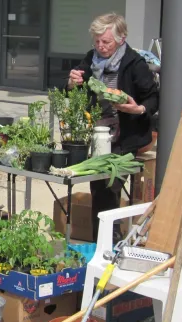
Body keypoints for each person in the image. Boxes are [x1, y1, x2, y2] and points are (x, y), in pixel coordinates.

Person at [67, 13, 158, 242]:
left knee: (109, 186)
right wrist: (71, 82)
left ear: (121, 39)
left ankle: (110, 242)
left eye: (105, 42)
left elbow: (153, 98)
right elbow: (73, 89)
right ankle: (102, 242)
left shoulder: (134, 63)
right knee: (98, 188)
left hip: (126, 134)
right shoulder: (91, 58)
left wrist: (138, 109)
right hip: (97, 131)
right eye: (96, 41)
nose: (100, 46)